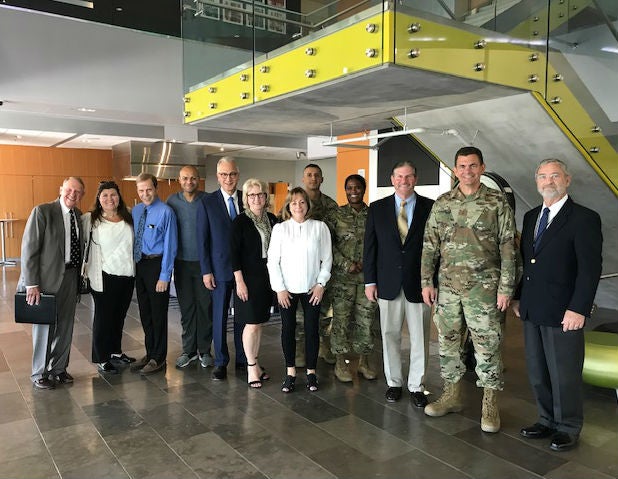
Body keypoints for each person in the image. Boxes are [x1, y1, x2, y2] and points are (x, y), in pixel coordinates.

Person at [421, 146, 517, 433]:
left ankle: (490, 403)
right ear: (455, 170)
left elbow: (509, 246)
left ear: (482, 168)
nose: (467, 171)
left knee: (487, 346)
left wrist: (506, 287)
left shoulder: (497, 202)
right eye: (462, 166)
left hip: (485, 289)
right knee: (448, 343)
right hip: (448, 288)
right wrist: (427, 281)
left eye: (473, 166)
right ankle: (452, 394)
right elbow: (429, 246)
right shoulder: (442, 203)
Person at [513, 159, 602, 452]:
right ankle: (547, 419)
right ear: (536, 181)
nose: (548, 181)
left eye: (554, 176)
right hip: (533, 307)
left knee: (564, 372)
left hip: (565, 311)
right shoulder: (530, 217)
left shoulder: (584, 218)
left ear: (567, 179)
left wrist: (579, 308)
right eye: (542, 176)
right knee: (538, 371)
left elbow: (590, 269)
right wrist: (518, 295)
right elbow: (528, 262)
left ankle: (568, 426)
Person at [364, 161, 434, 406]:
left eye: (409, 176)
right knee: (389, 334)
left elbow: (435, 250)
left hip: (420, 285)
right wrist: (369, 281)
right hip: (387, 283)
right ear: (392, 179)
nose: (404, 181)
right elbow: (370, 248)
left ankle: (417, 385)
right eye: (399, 176)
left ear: (415, 178)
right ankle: (394, 383)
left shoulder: (430, 207)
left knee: (420, 337)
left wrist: (432, 281)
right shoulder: (377, 208)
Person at [19, 177, 85, 389]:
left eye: (77, 192)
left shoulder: (79, 215)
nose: (72, 194)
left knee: (65, 327)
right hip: (46, 281)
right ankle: (39, 373)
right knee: (44, 328)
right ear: (61, 189)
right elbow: (29, 249)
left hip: (71, 277)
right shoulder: (43, 211)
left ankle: (58, 369)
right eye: (69, 190)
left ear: (81, 195)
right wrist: (31, 283)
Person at [267, 187, 332, 393]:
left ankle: (311, 373)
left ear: (308, 205)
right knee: (288, 330)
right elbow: (272, 261)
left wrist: (321, 284)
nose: (298, 206)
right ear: (288, 205)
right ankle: (291, 373)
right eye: (294, 202)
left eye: (302, 202)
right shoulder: (280, 229)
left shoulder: (320, 227)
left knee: (313, 330)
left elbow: (327, 258)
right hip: (287, 290)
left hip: (312, 289)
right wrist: (279, 289)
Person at [197, 157, 246, 381]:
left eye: (232, 174)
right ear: (218, 177)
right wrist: (206, 270)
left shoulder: (247, 200)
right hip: (218, 271)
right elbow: (202, 240)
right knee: (219, 317)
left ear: (238, 175)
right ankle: (221, 361)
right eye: (224, 175)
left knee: (243, 317)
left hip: (244, 272)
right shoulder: (207, 202)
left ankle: (243, 359)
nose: (229, 179)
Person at [82, 181, 135, 374]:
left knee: (119, 316)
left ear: (119, 197)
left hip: (127, 274)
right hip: (103, 276)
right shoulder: (91, 219)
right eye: (105, 195)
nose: (109, 199)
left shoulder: (129, 215)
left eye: (113, 195)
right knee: (104, 318)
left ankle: (115, 351)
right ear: (98, 198)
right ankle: (102, 357)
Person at [328, 174, 377, 382]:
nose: (353, 191)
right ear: (345, 190)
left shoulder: (373, 214)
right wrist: (347, 264)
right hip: (342, 279)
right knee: (341, 321)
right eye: (349, 188)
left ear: (363, 189)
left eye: (357, 187)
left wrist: (368, 264)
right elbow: (327, 246)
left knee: (366, 320)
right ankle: (340, 363)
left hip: (367, 279)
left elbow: (379, 243)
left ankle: (364, 362)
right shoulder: (335, 215)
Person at [231, 178, 278, 388]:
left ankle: (256, 364)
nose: (256, 198)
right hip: (247, 280)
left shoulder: (273, 219)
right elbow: (233, 255)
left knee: (259, 324)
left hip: (267, 279)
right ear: (246, 199)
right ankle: (250, 367)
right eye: (252, 195)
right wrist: (239, 282)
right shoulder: (240, 222)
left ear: (266, 197)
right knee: (250, 324)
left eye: (260, 194)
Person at [130, 173, 178, 375]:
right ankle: (149, 353)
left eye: (148, 189)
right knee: (145, 314)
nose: (145, 194)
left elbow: (171, 245)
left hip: (157, 265)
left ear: (156, 188)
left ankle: (158, 358)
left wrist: (164, 276)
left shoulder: (166, 212)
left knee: (158, 315)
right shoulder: (136, 210)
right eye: (141, 190)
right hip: (139, 265)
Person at [167, 165, 214, 370]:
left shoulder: (208, 200)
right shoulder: (172, 201)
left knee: (205, 308)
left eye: (193, 178)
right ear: (179, 180)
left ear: (199, 180)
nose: (189, 182)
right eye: (185, 178)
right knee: (187, 309)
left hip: (204, 264)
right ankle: (188, 351)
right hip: (181, 264)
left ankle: (204, 351)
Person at [296, 163, 339, 367]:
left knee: (325, 311)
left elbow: (337, 237)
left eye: (316, 175)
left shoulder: (331, 206)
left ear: (322, 179)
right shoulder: (294, 203)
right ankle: (300, 351)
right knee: (299, 316)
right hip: (300, 268)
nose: (313, 178)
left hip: (323, 268)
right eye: (309, 175)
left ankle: (324, 346)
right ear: (303, 179)